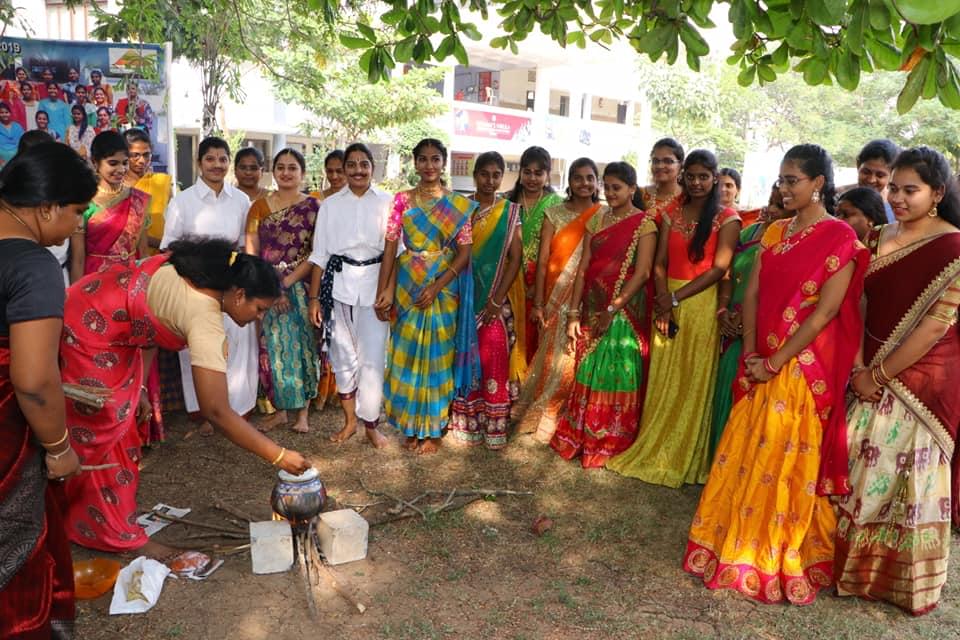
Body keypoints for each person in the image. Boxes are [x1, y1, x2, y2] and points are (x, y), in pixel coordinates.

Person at [683, 144, 868, 605]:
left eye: (793, 181)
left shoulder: (840, 237)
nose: (784, 188)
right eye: (782, 181)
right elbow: (752, 293)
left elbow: (825, 313)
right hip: (759, 358)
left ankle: (769, 549)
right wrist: (750, 353)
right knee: (745, 451)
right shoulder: (774, 233)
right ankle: (734, 537)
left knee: (782, 459)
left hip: (799, 369)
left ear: (818, 184)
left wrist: (776, 361)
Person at [63, 237, 310, 557]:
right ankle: (117, 534)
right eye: (259, 308)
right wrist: (279, 456)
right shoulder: (203, 317)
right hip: (87, 328)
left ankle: (86, 517)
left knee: (118, 423)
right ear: (238, 294)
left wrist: (137, 388)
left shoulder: (195, 272)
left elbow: (147, 320)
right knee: (108, 428)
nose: (259, 317)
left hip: (94, 312)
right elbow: (217, 411)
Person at [835, 146, 960, 615]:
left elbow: (934, 327)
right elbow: (862, 301)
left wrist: (879, 374)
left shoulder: (953, 247)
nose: (899, 198)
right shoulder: (882, 234)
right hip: (866, 370)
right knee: (855, 462)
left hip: (921, 381)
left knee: (903, 475)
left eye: (911, 190)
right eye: (894, 189)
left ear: (937, 194)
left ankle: (893, 578)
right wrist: (857, 368)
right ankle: (846, 566)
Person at [0, 143, 93, 639]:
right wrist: (59, 450)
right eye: (77, 212)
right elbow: (33, 380)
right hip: (7, 438)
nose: (77, 226)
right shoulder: (32, 264)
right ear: (47, 208)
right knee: (14, 556)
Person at [607, 149, 740, 486]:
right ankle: (655, 444)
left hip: (699, 303)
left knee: (692, 377)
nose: (696, 182)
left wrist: (676, 299)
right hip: (667, 299)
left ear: (714, 177)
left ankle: (683, 455)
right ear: (684, 177)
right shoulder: (669, 212)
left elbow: (720, 269)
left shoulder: (728, 218)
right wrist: (664, 299)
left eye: (703, 176)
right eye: (691, 176)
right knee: (664, 373)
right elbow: (659, 261)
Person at [551, 162, 658, 467]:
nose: (610, 193)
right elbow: (583, 268)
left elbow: (642, 273)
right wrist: (573, 313)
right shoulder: (596, 221)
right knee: (588, 370)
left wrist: (613, 308)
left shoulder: (644, 224)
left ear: (632, 189)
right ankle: (581, 435)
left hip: (623, 312)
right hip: (591, 305)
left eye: (617, 187)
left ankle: (608, 438)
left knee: (615, 370)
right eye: (606, 187)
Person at [376, 138, 478, 454]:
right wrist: (384, 291)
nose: (429, 165)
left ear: (443, 163)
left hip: (443, 288)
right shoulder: (401, 201)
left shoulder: (457, 204)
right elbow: (391, 246)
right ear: (415, 163)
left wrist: (436, 286)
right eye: (423, 159)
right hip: (408, 285)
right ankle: (409, 425)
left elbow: (465, 253)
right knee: (405, 353)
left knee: (438, 357)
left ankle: (433, 429)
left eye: (435, 159)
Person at [161, 137, 258, 435]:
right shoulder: (182, 201)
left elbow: (246, 244)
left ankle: (237, 410)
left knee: (238, 343)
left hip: (232, 281)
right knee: (199, 346)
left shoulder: (241, 200)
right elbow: (168, 248)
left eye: (222, 159)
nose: (217, 165)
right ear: (199, 162)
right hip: (194, 282)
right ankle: (206, 412)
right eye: (210, 159)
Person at [307, 143, 392, 448]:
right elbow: (320, 255)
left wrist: (389, 290)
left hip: (375, 288)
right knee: (343, 358)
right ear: (343, 170)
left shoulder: (387, 202)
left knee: (373, 358)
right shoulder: (329, 205)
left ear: (373, 168)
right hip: (339, 288)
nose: (358, 170)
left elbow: (397, 253)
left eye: (364, 164)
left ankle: (371, 424)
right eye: (351, 165)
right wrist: (314, 299)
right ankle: (349, 423)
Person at [514, 157, 602, 442]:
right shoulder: (554, 213)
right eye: (578, 178)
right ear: (569, 181)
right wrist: (539, 303)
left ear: (596, 181)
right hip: (554, 294)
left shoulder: (603, 214)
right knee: (553, 356)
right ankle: (545, 409)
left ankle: (569, 412)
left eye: (590, 178)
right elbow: (542, 262)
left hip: (586, 295)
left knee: (577, 354)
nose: (584, 183)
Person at [708, 186, 790, 460]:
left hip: (760, 332)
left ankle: (734, 462)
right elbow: (727, 274)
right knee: (723, 382)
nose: (771, 209)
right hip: (730, 322)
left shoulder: (789, 242)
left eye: (780, 205)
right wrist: (722, 310)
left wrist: (748, 321)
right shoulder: (749, 233)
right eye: (770, 201)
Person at [450, 151, 523, 449]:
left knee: (493, 355)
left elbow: (515, 258)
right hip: (463, 296)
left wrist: (498, 299)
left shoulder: (508, 211)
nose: (490, 181)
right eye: (485, 174)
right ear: (474, 174)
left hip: (493, 298)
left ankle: (494, 426)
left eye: (496, 175)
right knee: (464, 355)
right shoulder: (460, 207)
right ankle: (466, 422)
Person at [245, 148, 319, 434]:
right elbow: (251, 252)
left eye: (293, 167)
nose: (286, 173)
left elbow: (317, 252)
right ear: (273, 172)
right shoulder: (259, 207)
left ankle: (303, 415)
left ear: (302, 173)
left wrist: (286, 285)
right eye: (281, 167)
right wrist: (270, 289)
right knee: (271, 347)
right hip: (265, 286)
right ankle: (278, 410)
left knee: (303, 347)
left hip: (301, 285)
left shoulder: (314, 207)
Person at [70, 130, 149, 279]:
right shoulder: (84, 201)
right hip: (95, 282)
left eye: (125, 163)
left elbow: (144, 252)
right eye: (113, 163)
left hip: (130, 282)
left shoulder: (138, 200)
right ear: (95, 162)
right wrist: (76, 298)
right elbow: (78, 260)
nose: (121, 170)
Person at [509, 146, 563, 362]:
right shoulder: (507, 202)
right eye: (527, 172)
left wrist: (538, 285)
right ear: (520, 173)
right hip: (509, 280)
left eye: (538, 173)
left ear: (547, 175)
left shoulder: (557, 205)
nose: (532, 178)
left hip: (542, 283)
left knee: (535, 336)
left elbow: (558, 249)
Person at [123, 128, 172, 253]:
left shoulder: (161, 183)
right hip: (129, 254)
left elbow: (172, 220)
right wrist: (162, 245)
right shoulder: (118, 188)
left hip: (161, 256)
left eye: (146, 155)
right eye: (135, 155)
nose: (142, 160)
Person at [840, 139, 899, 223]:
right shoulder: (840, 199)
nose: (871, 180)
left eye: (880, 175)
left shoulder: (897, 207)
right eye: (866, 172)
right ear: (858, 166)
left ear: (892, 175)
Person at [637, 138, 684, 218]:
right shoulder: (639, 194)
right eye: (655, 161)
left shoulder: (687, 198)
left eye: (668, 161)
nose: (660, 166)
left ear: (680, 166)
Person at [0, 101, 24, 165]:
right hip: (2, 161)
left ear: (10, 113)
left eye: (6, 112)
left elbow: (23, 142)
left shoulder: (17, 126)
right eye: (1, 113)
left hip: (17, 159)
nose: (4, 114)